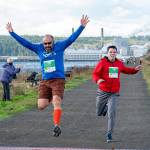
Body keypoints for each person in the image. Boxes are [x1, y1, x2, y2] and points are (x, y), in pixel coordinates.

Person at [6, 15, 89, 137]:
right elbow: (25, 43)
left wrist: (82, 26)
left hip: (58, 80)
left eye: (49, 43)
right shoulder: (38, 48)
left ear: (53, 42)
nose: (47, 45)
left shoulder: (60, 46)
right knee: (41, 106)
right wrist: (12, 33)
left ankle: (56, 125)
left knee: (56, 102)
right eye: (45, 44)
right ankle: (54, 97)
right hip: (45, 81)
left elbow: (72, 38)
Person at [92, 45, 141, 142]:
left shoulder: (119, 63)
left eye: (114, 52)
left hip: (114, 92)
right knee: (99, 112)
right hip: (103, 91)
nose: (112, 54)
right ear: (107, 53)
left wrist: (135, 70)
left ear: (116, 53)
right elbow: (95, 74)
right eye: (111, 52)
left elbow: (127, 70)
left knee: (112, 113)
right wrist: (98, 80)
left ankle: (109, 134)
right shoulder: (102, 62)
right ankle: (104, 108)